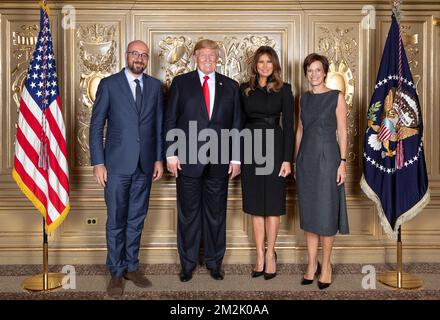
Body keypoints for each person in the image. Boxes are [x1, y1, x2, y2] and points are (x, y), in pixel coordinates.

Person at [89, 40, 164, 297]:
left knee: (136, 219)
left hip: (145, 165)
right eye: (135, 54)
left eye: (143, 55)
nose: (139, 59)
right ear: (126, 55)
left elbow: (158, 126)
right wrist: (98, 163)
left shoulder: (154, 86)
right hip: (116, 166)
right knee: (116, 220)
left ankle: (132, 266)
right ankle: (116, 272)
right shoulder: (109, 85)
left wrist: (158, 159)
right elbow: (96, 126)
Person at [165, 39, 241, 282]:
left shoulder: (230, 86)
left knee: (216, 215)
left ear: (218, 58)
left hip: (219, 162)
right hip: (187, 161)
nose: (208, 59)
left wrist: (236, 158)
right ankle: (187, 264)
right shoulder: (181, 83)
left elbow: (237, 124)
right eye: (203, 55)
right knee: (188, 215)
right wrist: (171, 154)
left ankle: (214, 262)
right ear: (195, 57)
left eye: (212, 55)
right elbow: (170, 120)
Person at [294, 53, 349, 289]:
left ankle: (326, 265)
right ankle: (311, 264)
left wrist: (343, 162)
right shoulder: (303, 99)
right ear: (306, 73)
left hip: (328, 159)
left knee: (326, 213)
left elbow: (343, 132)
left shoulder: (336, 97)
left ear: (324, 72)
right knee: (309, 214)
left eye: (318, 70)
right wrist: (296, 160)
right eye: (309, 70)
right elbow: (299, 129)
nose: (313, 74)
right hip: (306, 159)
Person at [240, 46, 294, 280]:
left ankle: (271, 254)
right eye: (260, 62)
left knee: (272, 205)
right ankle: (259, 255)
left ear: (275, 65)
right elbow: (238, 123)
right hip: (250, 149)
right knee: (255, 206)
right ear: (255, 65)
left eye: (268, 62)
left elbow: (290, 126)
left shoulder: (285, 90)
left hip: (275, 148)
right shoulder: (245, 90)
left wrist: (287, 159)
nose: (264, 66)